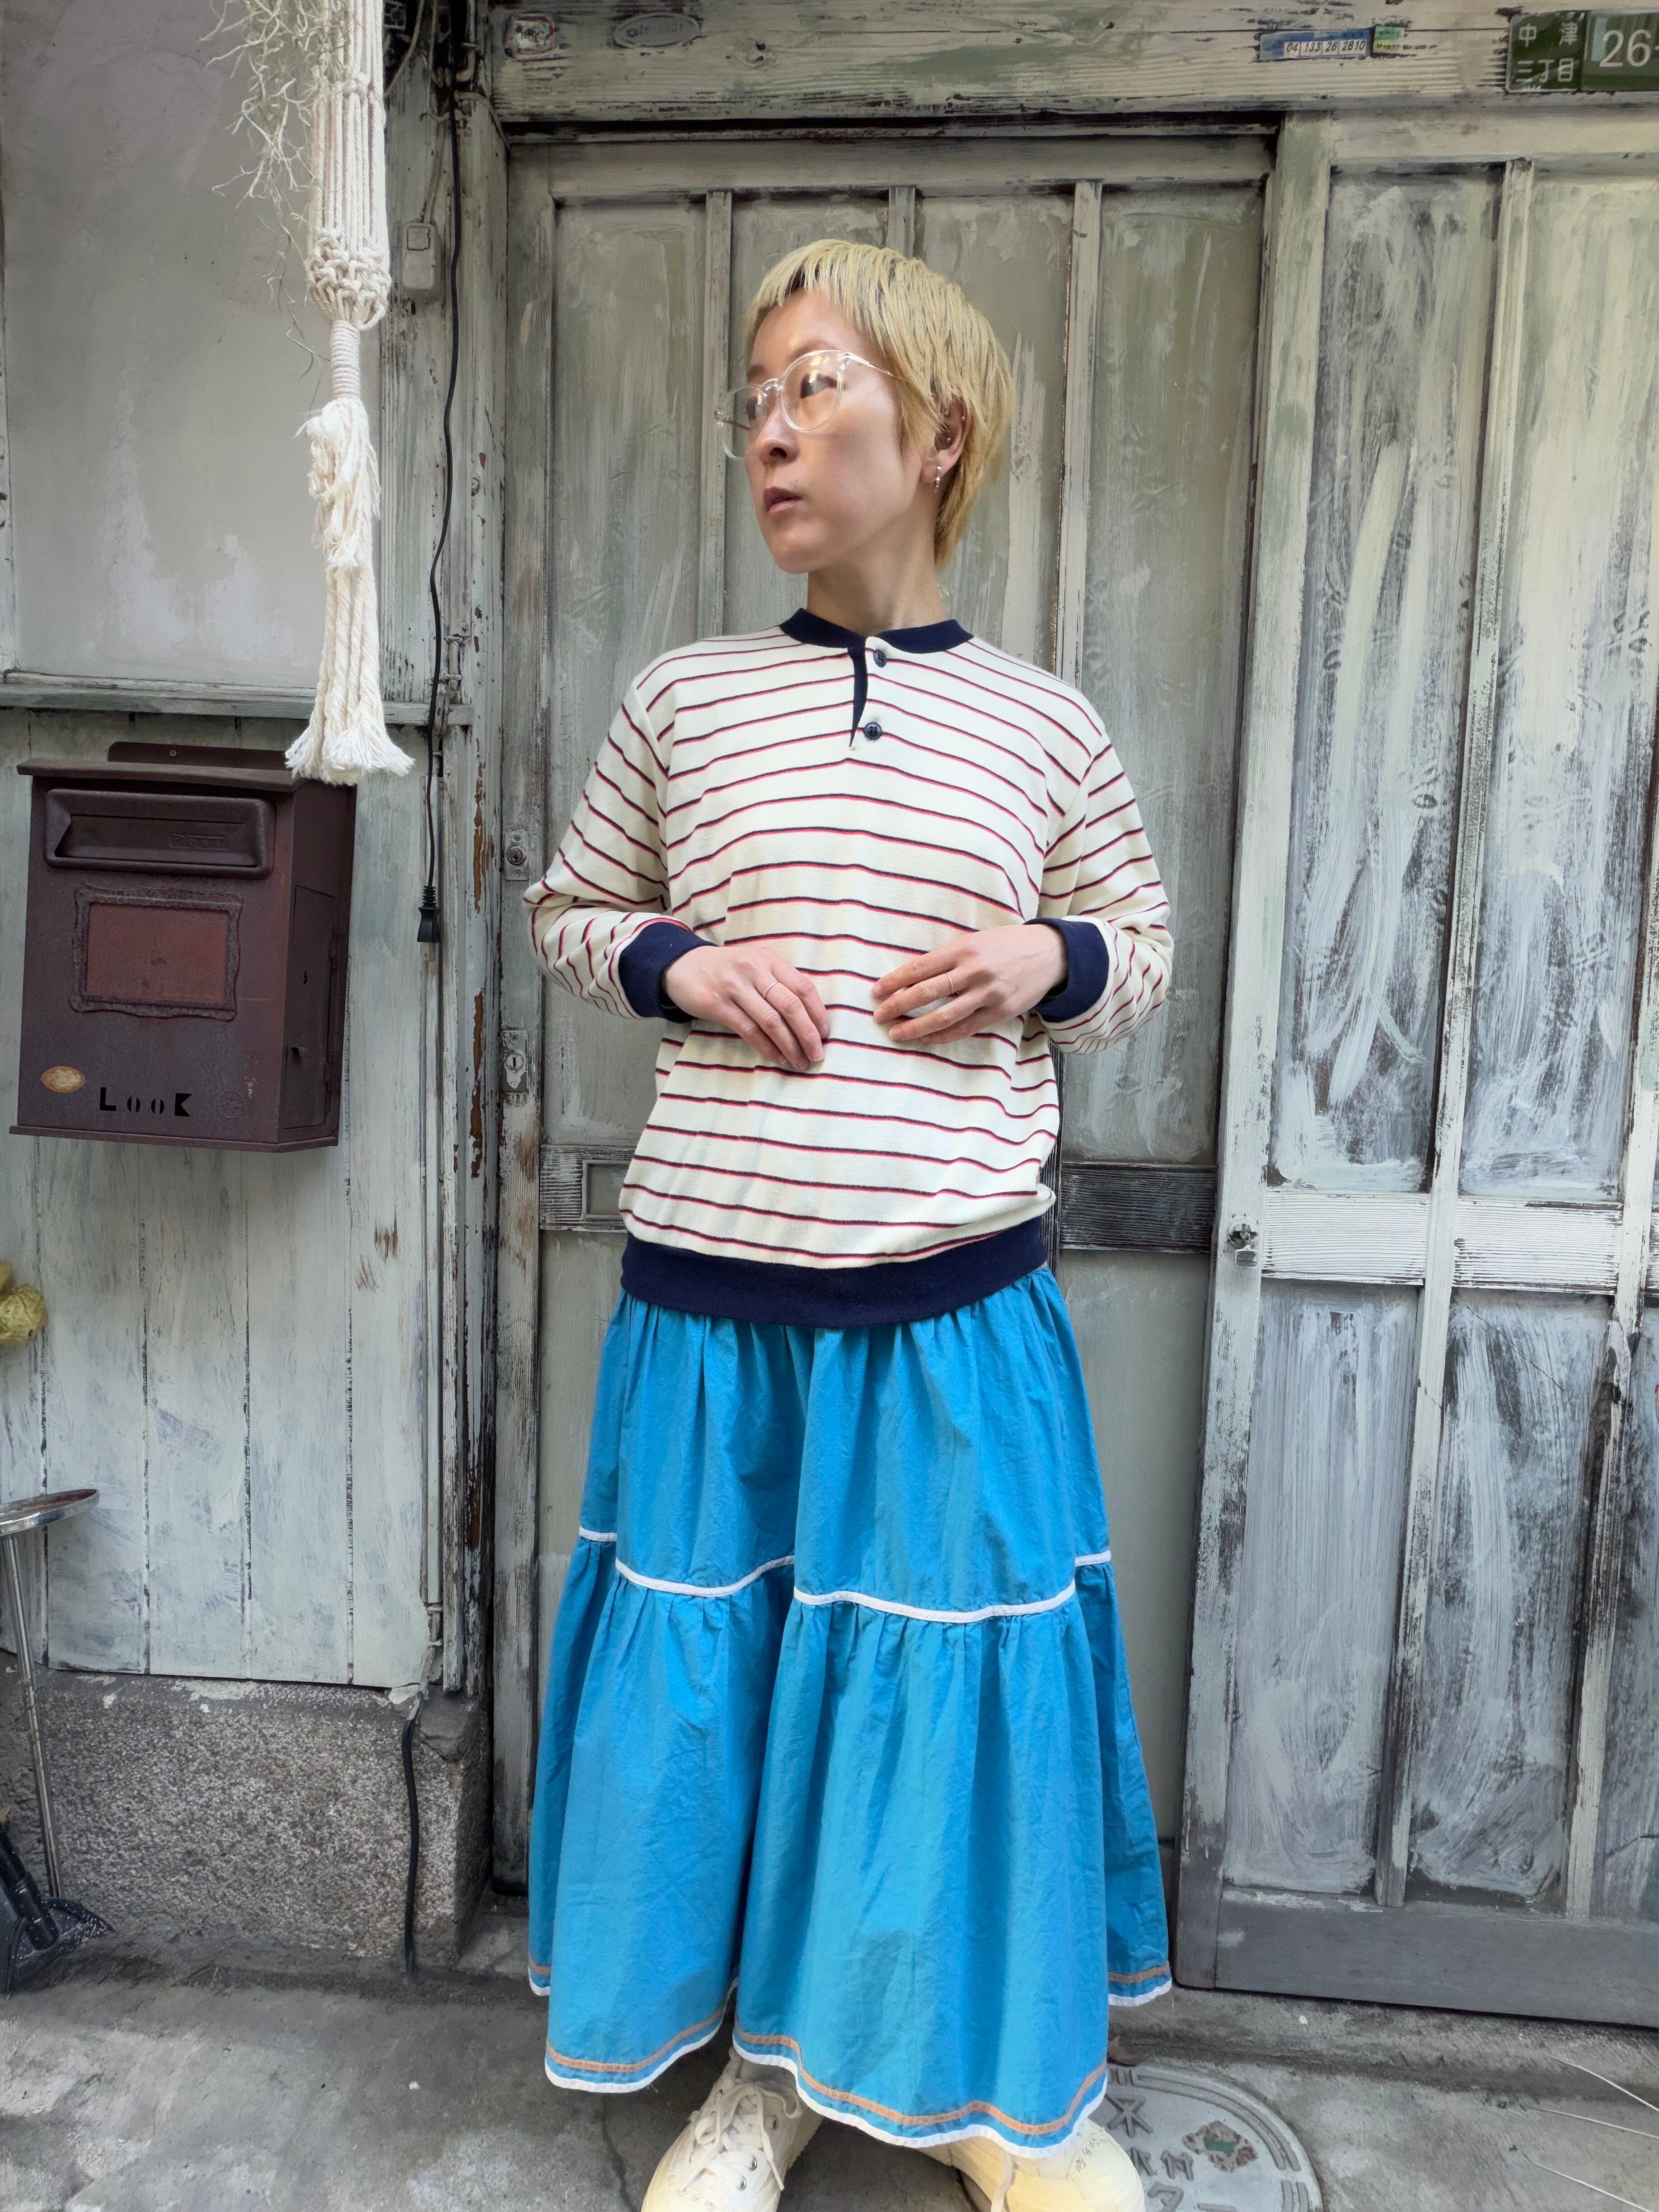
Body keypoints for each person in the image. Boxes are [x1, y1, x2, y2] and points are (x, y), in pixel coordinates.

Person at [524, 238, 1173, 2212]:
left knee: (944, 1704)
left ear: (940, 430)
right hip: (715, 1308)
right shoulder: (685, 699)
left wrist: (1049, 956)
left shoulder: (1046, 726)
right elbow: (571, 911)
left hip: (951, 1311)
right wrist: (677, 964)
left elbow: (1141, 948)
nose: (772, 434)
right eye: (756, 402)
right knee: (733, 1704)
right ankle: (762, 2085)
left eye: (815, 387)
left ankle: (983, 2091)